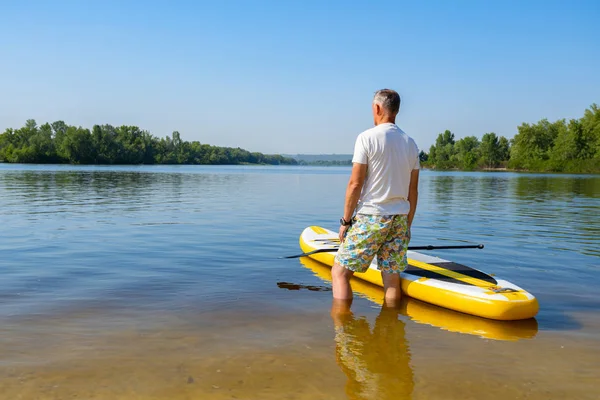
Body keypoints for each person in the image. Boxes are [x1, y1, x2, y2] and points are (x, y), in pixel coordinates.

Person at [332, 89, 420, 304]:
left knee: (340, 273)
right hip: (399, 217)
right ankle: (390, 329)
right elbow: (413, 190)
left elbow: (355, 183)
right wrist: (407, 224)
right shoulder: (410, 143)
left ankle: (343, 329)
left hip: (373, 216)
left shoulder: (366, 138)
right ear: (397, 111)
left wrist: (345, 221)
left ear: (377, 108)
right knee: (391, 279)